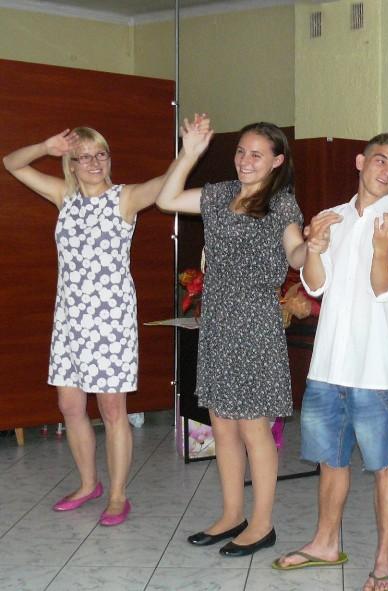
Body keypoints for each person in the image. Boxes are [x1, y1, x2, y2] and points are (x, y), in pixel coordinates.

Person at [3, 126, 173, 526]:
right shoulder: (64, 197)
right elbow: (11, 163)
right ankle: (87, 484)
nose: (95, 163)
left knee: (112, 409)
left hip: (111, 321)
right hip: (69, 319)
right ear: (71, 163)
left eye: (102, 154)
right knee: (70, 406)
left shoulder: (124, 198)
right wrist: (44, 146)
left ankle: (117, 495)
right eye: (85, 156)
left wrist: (191, 151)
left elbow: (164, 184)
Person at [272, 132, 388, 591]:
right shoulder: (332, 217)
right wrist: (315, 248)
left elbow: (386, 290)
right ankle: (325, 543)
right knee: (331, 460)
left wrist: (383, 249)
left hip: (376, 370)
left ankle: (384, 560)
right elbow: (316, 286)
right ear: (360, 162)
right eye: (380, 160)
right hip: (328, 365)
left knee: (383, 464)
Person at [156, 116, 308, 556]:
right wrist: (189, 153)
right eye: (241, 151)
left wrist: (313, 245)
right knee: (222, 425)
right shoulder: (220, 193)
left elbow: (296, 253)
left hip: (256, 325)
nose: (245, 160)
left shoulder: (281, 204)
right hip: (218, 322)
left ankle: (262, 524)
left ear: (277, 161)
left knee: (253, 428)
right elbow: (166, 198)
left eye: (257, 154)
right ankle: (231, 514)